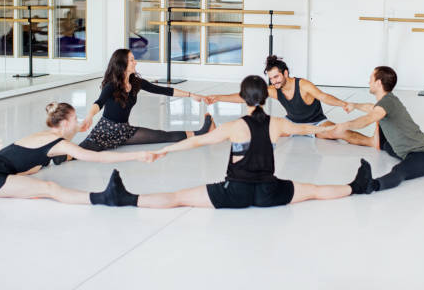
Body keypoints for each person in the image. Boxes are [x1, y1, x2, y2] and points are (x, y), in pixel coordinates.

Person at [99, 75, 374, 209]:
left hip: (235, 193)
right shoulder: (279, 125)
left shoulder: (233, 127)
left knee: (178, 197)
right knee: (314, 190)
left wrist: (163, 150)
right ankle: (356, 186)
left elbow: (197, 142)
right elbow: (310, 127)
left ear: (243, 98)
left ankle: (125, 198)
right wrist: (342, 126)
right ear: (265, 99)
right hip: (269, 192)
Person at [0, 102, 164, 205]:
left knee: (35, 172)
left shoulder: (47, 135)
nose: (78, 122)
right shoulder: (59, 144)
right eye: (75, 119)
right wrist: (137, 154)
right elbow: (97, 157)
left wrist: (80, 127)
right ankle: (104, 197)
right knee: (50, 188)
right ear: (64, 124)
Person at [59, 49, 214, 161]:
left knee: (162, 135)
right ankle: (54, 154)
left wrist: (191, 95)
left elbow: (163, 90)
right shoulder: (111, 85)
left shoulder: (136, 83)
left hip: (125, 131)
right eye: (132, 60)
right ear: (122, 64)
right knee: (78, 153)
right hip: (105, 132)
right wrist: (89, 116)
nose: (135, 62)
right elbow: (99, 103)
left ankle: (199, 132)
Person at [204, 55, 373, 146]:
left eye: (277, 77)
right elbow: (245, 97)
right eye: (271, 78)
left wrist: (344, 104)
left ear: (285, 73)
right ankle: (215, 130)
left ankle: (372, 142)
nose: (274, 81)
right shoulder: (274, 90)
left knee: (338, 132)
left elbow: (324, 96)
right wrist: (218, 97)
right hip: (291, 124)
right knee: (255, 131)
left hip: (317, 123)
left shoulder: (303, 85)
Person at [333, 66, 424, 193]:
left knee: (400, 171)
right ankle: (384, 146)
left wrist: (344, 125)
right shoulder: (387, 100)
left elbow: (368, 119)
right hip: (406, 151)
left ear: (378, 83)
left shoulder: (387, 102)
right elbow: (372, 108)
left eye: (371, 79)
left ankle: (371, 185)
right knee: (387, 146)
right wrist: (354, 106)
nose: (368, 82)